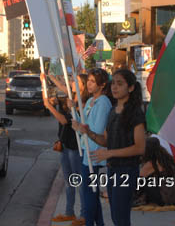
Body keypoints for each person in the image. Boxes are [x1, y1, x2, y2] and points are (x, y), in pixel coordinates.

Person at [75, 69, 145, 226]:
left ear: (131, 87)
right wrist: (89, 132)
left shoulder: (135, 113)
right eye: (113, 83)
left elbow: (140, 147)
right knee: (115, 215)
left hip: (127, 170)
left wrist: (110, 153)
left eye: (120, 84)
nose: (115, 87)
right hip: (113, 169)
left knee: (121, 218)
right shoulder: (113, 111)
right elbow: (106, 140)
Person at [44, 74, 89, 225]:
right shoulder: (72, 97)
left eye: (76, 81)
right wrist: (48, 78)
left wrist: (49, 106)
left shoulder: (82, 103)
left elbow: (64, 121)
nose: (72, 82)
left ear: (82, 85)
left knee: (79, 182)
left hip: (76, 148)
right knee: (69, 181)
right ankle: (70, 212)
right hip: (65, 145)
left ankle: (84, 215)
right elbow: (62, 88)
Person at [71, 68, 112, 226]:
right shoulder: (89, 101)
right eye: (88, 80)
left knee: (89, 196)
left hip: (93, 153)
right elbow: (85, 125)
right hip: (85, 150)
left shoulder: (103, 103)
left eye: (92, 81)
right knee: (91, 195)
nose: (88, 84)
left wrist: (83, 129)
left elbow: (96, 130)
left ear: (102, 85)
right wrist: (75, 114)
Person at [133, 137, 175, 207]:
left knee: (142, 180)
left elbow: (138, 176)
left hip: (164, 199)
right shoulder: (166, 158)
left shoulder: (152, 163)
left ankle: (138, 198)